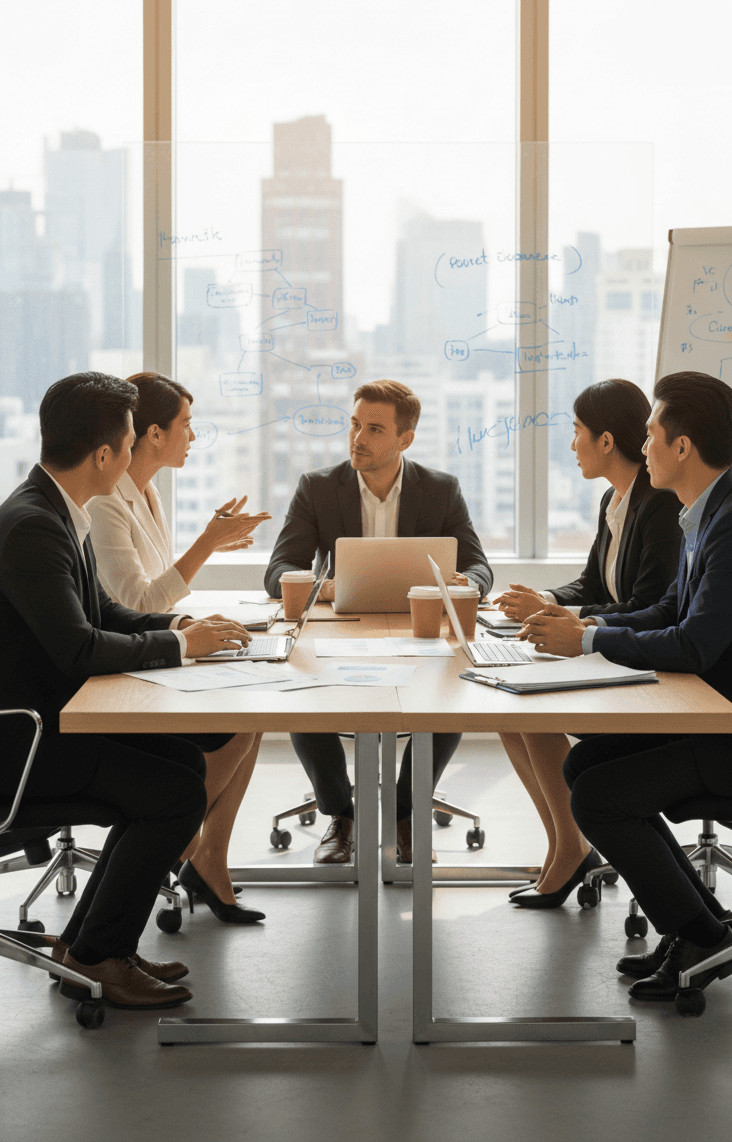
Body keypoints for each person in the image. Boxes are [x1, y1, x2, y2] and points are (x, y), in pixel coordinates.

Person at [0, 372, 255, 1011]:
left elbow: (104, 614)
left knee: (182, 761)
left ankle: (87, 943)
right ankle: (98, 957)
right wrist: (179, 648)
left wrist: (178, 627)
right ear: (106, 454)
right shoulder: (34, 524)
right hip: (24, 744)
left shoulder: (54, 507)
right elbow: (79, 648)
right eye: (126, 441)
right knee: (172, 793)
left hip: (54, 723)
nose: (135, 454)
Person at [519, 371, 732, 1004]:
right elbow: (667, 612)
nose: (645, 442)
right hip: (709, 716)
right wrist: (587, 624)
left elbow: (693, 644)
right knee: (589, 762)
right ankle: (697, 921)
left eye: (652, 433)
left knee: (600, 795)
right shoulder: (709, 513)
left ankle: (699, 936)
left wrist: (585, 641)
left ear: (681, 447)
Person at [265, 378, 493, 865]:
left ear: (404, 439)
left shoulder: (439, 490)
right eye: (354, 425)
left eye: (373, 429)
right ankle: (340, 814)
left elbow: (480, 569)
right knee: (300, 695)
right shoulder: (319, 488)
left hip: (419, 630)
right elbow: (278, 571)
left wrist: (460, 583)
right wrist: (323, 586)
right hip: (340, 632)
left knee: (452, 693)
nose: (357, 439)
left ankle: (404, 814)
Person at [88, 372, 271, 922]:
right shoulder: (105, 505)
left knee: (254, 705)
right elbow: (133, 600)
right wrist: (206, 547)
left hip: (149, 646)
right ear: (152, 435)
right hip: (121, 671)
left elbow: (147, 599)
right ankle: (184, 844)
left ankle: (208, 858)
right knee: (241, 716)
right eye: (185, 424)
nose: (193, 435)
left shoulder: (145, 491)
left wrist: (192, 620)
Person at [496, 380, 682, 908]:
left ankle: (569, 853)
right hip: (611, 651)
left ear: (605, 441)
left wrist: (566, 616)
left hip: (647, 666)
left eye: (575, 432)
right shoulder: (615, 498)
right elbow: (591, 585)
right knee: (509, 714)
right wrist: (545, 598)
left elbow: (652, 604)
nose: (570, 444)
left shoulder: (660, 504)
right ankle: (566, 843)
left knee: (531, 709)